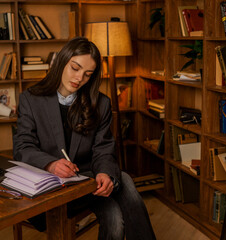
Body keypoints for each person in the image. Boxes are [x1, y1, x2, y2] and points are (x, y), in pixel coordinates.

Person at [13, 37, 156, 240]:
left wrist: (106, 174)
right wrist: (52, 165)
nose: (79, 78)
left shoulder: (101, 104)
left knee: (117, 194)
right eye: (75, 68)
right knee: (121, 189)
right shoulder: (31, 99)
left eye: (87, 74)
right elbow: (22, 147)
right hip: (50, 188)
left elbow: (104, 149)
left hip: (88, 183)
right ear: (62, 61)